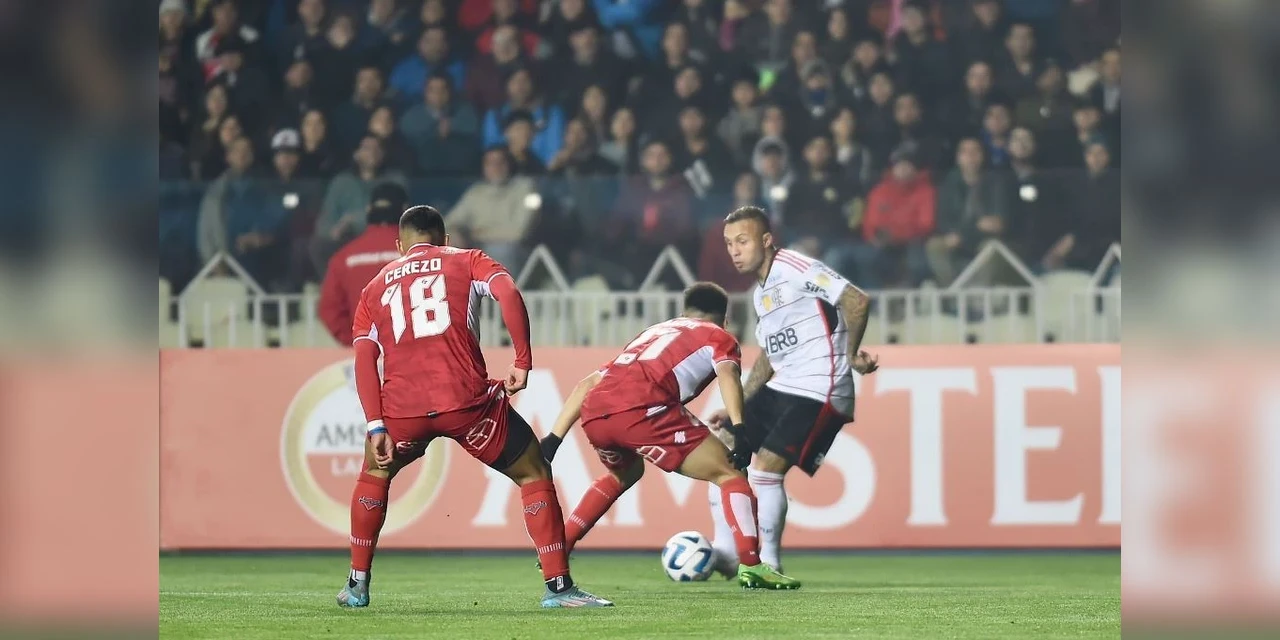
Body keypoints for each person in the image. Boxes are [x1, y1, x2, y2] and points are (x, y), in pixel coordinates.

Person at [337, 205, 613, 609]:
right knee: (533, 470)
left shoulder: (374, 288)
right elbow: (508, 291)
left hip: (403, 411)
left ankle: (357, 585)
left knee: (375, 474)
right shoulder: (467, 260)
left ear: (399, 246)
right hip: (466, 404)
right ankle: (559, 589)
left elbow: (363, 358)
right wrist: (522, 359)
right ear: (445, 239)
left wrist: (376, 424)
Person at [539, 283, 801, 590]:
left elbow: (586, 383)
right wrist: (740, 429)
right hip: (643, 409)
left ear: (682, 312)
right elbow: (728, 375)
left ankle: (560, 547)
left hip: (595, 413)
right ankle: (752, 566)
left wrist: (553, 440)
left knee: (625, 471)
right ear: (724, 319)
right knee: (731, 474)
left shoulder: (652, 332)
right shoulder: (719, 336)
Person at [707, 205, 880, 577]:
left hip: (821, 385)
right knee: (721, 449)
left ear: (767, 240)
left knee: (766, 471)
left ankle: (768, 563)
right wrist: (740, 409)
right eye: (728, 244)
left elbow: (856, 299)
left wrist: (850, 354)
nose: (734, 250)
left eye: (742, 240)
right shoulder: (759, 294)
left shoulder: (794, 267)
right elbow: (770, 357)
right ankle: (724, 552)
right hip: (786, 384)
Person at [317, 183, 408, 345]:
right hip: (415, 353)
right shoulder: (425, 252)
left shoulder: (344, 257)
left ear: (369, 210)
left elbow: (329, 309)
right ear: (406, 210)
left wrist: (358, 340)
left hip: (365, 354)